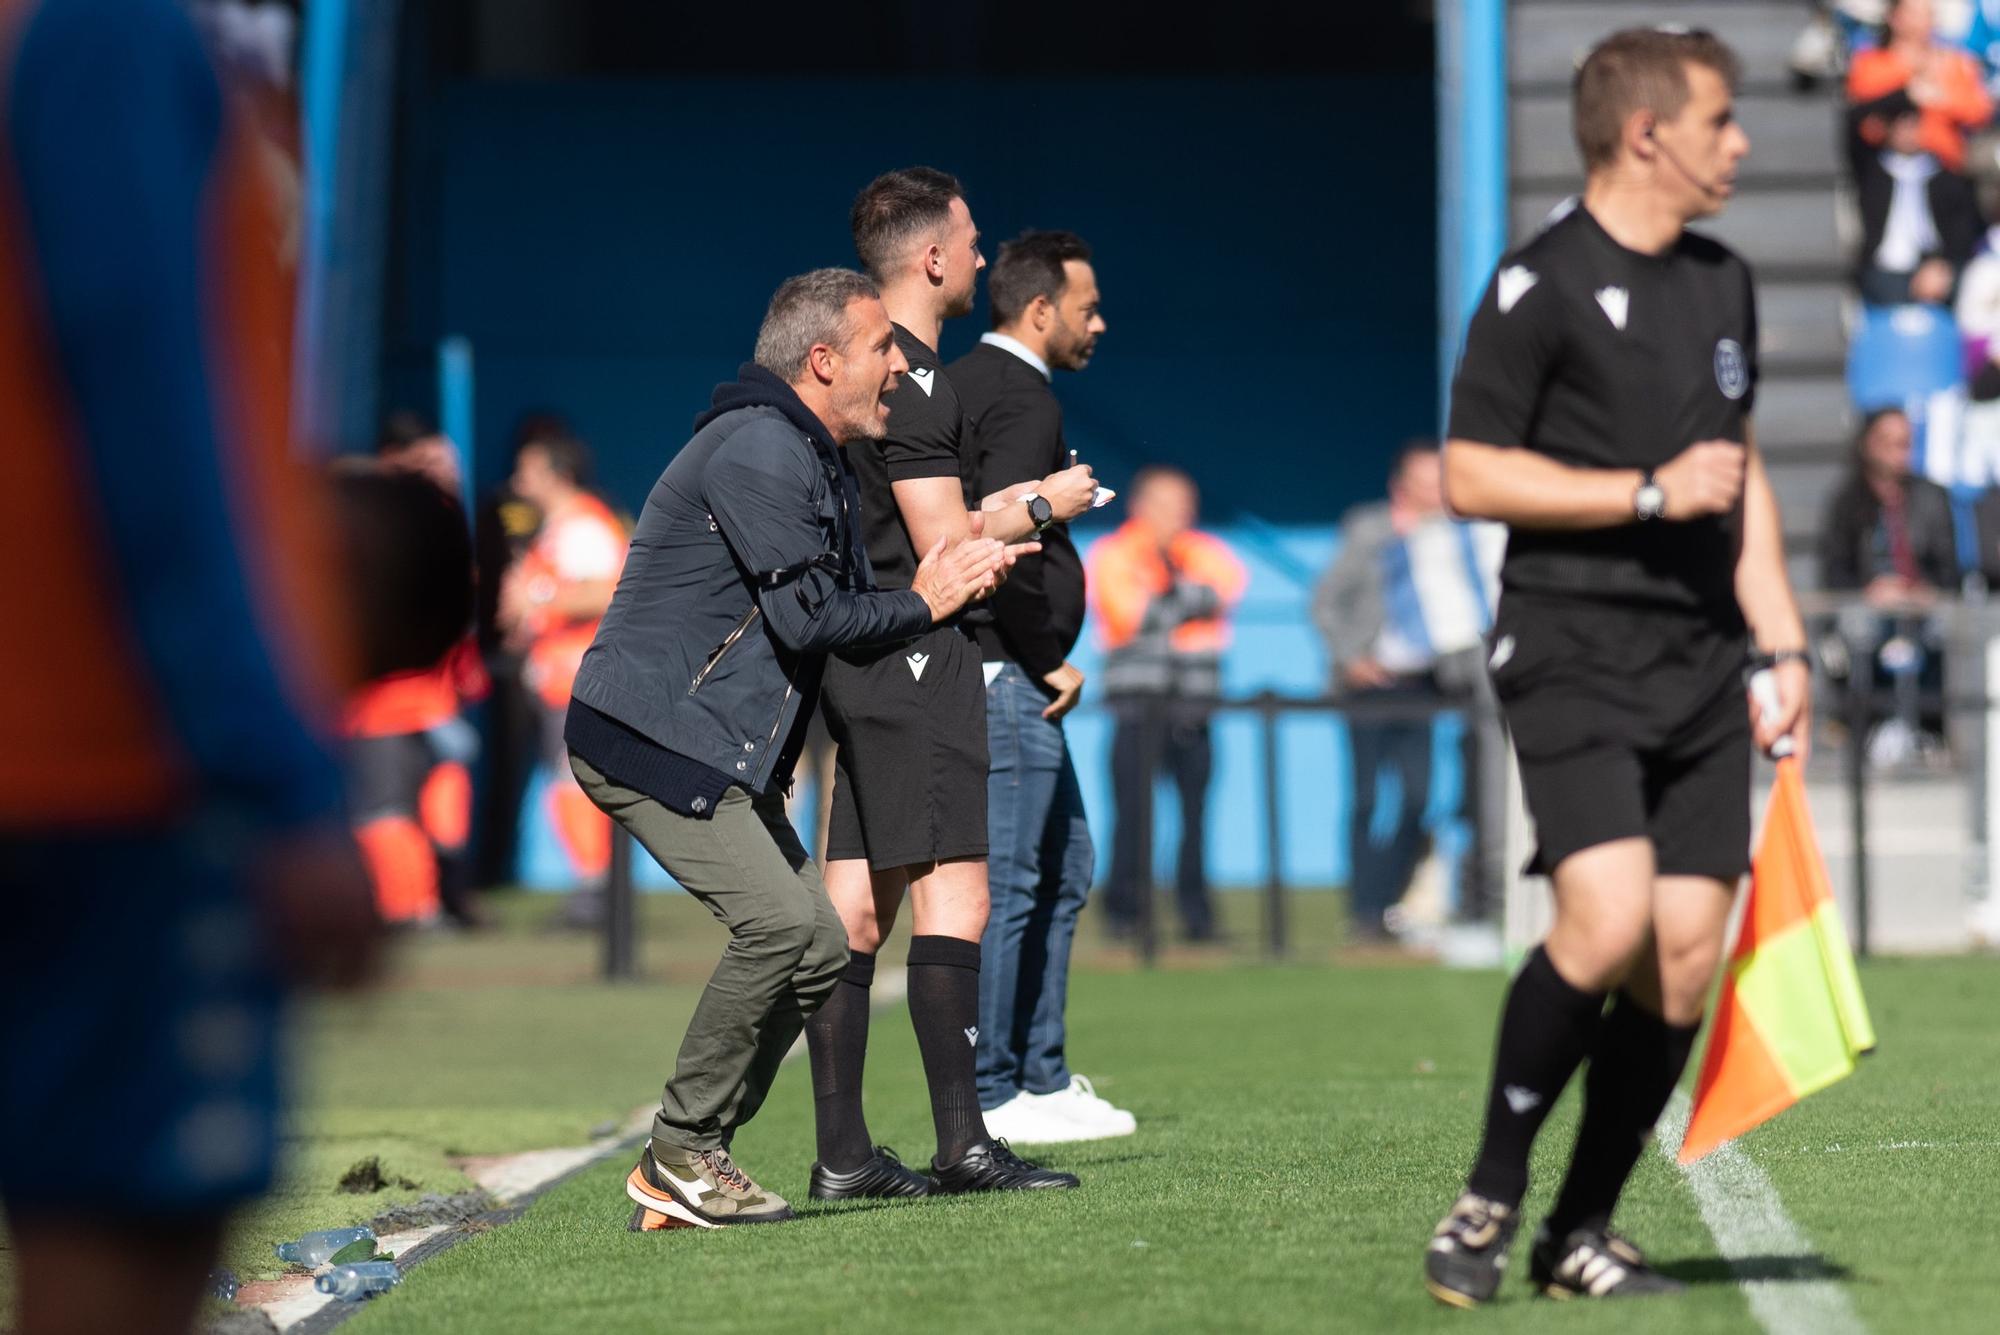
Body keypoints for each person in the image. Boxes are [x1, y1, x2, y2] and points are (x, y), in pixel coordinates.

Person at [0, 3, 380, 1331]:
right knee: (120, 1274)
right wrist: (276, 771)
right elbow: (154, 419)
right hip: (121, 770)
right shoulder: (107, 37)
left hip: (78, 751)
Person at [1424, 28, 1813, 1305]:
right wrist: (1642, 492)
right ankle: (1484, 1203)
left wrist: (1781, 637)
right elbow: (1470, 473)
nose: (1740, 144)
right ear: (1646, 133)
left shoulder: (1724, 282)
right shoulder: (1533, 287)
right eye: (1718, 120)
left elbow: (1737, 473)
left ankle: (1576, 1230)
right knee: (1603, 918)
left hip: (1702, 662)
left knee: (1686, 953)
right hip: (1569, 646)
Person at [567, 268, 1024, 1229]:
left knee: (819, 942)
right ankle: (682, 1149)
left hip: (710, 749)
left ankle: (690, 1157)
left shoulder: (803, 452)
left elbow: (828, 613)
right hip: (651, 739)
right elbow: (812, 616)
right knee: (786, 929)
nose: (897, 365)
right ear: (823, 362)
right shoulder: (761, 450)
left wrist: (925, 585)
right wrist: (929, 599)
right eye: (878, 350)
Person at [805, 168, 1097, 1200]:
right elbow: (942, 544)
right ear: (932, 259)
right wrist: (1042, 507)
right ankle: (962, 1145)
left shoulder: (862, 372)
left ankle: (841, 1153)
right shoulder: (917, 377)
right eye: (969, 242)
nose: (978, 256)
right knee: (960, 897)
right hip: (922, 656)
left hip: (860, 653)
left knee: (852, 911)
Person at [949, 229, 1135, 1144]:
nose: (1098, 322)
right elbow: (1004, 541)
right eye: (1088, 306)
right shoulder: (1018, 394)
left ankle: (1041, 1075)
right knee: (1019, 881)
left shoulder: (972, 384)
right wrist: (1038, 653)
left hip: (1004, 669)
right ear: (1040, 310)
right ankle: (995, 1092)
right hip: (1003, 673)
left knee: (1064, 867)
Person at [1314, 443, 1497, 944]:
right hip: (1370, 686)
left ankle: (1396, 902)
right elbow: (1327, 601)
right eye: (1424, 479)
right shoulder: (1369, 529)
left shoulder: (1459, 535)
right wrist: (1353, 658)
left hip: (1425, 685)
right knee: (1369, 797)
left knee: (1418, 796)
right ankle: (1364, 910)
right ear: (1400, 484)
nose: (1434, 489)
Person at [1088, 468, 1248, 944]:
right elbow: (1129, 615)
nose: (1180, 514)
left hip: (1195, 706)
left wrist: (1165, 601)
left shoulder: (1204, 551)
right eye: (1168, 504)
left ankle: (1197, 917)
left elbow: (1226, 589)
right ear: (1140, 505)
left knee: (1195, 816)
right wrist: (1186, 603)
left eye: (1185, 504)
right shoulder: (1112, 552)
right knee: (1133, 813)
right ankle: (1125, 914)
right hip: (1137, 706)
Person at [341, 416, 488, 927]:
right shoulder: (375, 518)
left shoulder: (440, 524)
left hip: (430, 703)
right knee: (389, 811)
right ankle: (413, 908)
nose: (442, 474)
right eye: (426, 463)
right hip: (384, 705)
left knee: (432, 810)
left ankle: (427, 906)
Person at [497, 432, 625, 923]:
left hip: (581, 678)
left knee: (576, 783)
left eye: (528, 471)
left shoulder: (582, 526)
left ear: (557, 475)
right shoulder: (557, 528)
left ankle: (598, 894)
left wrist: (538, 602)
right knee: (566, 783)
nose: (518, 481)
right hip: (560, 678)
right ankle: (594, 889)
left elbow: (608, 591)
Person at [1818, 406, 1958, 763]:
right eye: (1890, 444)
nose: (1900, 454)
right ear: (1868, 445)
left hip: (1919, 609)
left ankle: (1930, 729)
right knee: (1856, 628)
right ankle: (1863, 726)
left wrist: (1923, 591)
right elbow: (1834, 573)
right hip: (1869, 608)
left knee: (1939, 628)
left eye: (1906, 444)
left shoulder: (1931, 497)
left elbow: (1949, 570)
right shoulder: (1846, 503)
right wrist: (1870, 591)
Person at [1848, 96, 1982, 305]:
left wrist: (1941, 265)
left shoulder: (1945, 176)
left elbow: (1965, 227)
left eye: (1914, 127)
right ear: (1889, 130)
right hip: (1885, 268)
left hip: (1937, 265)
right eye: (1901, 127)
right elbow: (1852, 120)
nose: (1909, 135)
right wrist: (1907, 92)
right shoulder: (1873, 172)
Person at [1848, 0, 1992, 174]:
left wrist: (1940, 99)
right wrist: (1908, 92)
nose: (1926, 20)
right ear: (1895, 18)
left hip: (1944, 167)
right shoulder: (1871, 63)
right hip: (1884, 166)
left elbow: (1979, 110)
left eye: (1928, 13)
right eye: (1915, 13)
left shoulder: (1954, 61)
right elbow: (1863, 111)